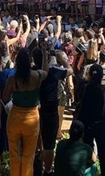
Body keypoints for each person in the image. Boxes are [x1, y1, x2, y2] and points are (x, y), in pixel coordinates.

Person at [2, 48, 48, 176]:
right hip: (32, 119)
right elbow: (46, 71)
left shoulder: (12, 79)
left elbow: (5, 97)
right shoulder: (37, 76)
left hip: (15, 117)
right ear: (30, 62)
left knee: (14, 155)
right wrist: (45, 54)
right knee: (29, 156)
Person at [32, 43, 70, 175]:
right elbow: (70, 71)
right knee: (49, 145)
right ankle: (47, 171)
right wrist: (63, 60)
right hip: (50, 111)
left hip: (34, 111)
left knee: (36, 141)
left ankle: (36, 166)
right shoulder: (54, 71)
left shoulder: (32, 72)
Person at [78, 63, 105, 175]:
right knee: (103, 154)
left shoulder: (85, 88)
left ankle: (89, 172)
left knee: (88, 152)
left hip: (88, 125)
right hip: (102, 126)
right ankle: (104, 173)